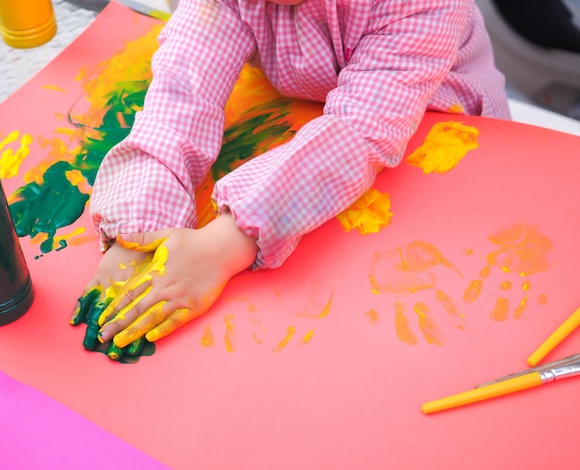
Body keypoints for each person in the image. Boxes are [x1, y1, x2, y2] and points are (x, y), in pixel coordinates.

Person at [73, 0, 511, 349]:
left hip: (442, 137)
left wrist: (227, 241)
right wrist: (141, 227)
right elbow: (181, 95)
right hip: (313, 114)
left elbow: (360, 129)